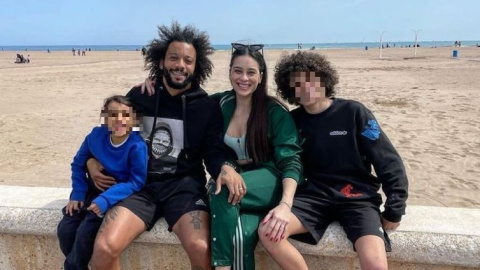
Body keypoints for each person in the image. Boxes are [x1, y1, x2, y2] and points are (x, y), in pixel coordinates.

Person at [140, 43, 303, 270]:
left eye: (251, 72)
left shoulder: (274, 112)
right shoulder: (219, 103)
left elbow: (290, 160)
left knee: (221, 188)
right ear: (229, 72)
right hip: (242, 186)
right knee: (242, 234)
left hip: (270, 180)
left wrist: (286, 204)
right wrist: (155, 83)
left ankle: (222, 267)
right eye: (237, 71)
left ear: (261, 76)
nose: (243, 78)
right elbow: (183, 95)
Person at [87, 21, 236, 270]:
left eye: (188, 60)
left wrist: (225, 168)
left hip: (184, 187)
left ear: (196, 66)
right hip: (140, 186)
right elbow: (109, 132)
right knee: (104, 248)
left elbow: (213, 152)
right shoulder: (140, 96)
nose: (180, 65)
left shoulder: (206, 107)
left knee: (201, 249)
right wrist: (90, 162)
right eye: (173, 58)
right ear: (160, 62)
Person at [259, 51, 409, 270]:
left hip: (357, 199)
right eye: (297, 84)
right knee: (267, 231)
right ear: (289, 89)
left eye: (310, 80)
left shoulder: (354, 112)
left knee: (376, 265)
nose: (305, 88)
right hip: (314, 198)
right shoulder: (292, 121)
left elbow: (388, 160)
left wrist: (395, 208)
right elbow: (280, 160)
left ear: (324, 79)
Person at [57, 95, 148, 270]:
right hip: (90, 189)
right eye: (113, 115)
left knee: (86, 232)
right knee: (65, 230)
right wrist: (77, 194)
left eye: (125, 115)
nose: (119, 120)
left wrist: (105, 200)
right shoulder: (95, 135)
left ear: (134, 119)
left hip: (114, 195)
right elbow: (78, 164)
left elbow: (136, 181)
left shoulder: (137, 146)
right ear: (105, 118)